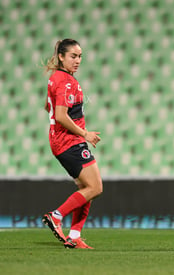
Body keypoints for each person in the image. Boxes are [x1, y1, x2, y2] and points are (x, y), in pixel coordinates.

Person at [42, 38, 103, 249]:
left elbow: (47, 107)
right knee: (95, 187)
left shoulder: (56, 78)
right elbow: (60, 115)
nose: (77, 61)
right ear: (61, 56)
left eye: (80, 57)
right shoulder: (66, 81)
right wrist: (84, 133)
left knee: (86, 189)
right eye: (73, 56)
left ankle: (74, 236)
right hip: (69, 141)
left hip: (62, 140)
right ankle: (56, 216)